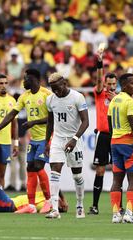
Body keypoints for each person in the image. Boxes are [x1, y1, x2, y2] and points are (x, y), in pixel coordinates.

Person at [0, 69, 52, 214]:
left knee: (38, 166)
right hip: (34, 139)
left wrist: (34, 122)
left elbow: (53, 117)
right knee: (30, 169)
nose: (24, 82)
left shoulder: (47, 95)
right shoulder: (24, 96)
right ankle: (31, 205)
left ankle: (49, 201)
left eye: (26, 78)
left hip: (46, 137)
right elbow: (12, 114)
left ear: (34, 79)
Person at [44, 72, 89, 219]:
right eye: (53, 89)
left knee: (77, 176)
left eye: (57, 88)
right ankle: (55, 209)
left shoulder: (77, 97)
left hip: (73, 139)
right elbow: (50, 122)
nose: (56, 91)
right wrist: (47, 143)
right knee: (54, 172)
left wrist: (75, 138)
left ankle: (80, 205)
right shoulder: (50, 100)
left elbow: (85, 122)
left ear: (64, 83)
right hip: (57, 139)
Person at [107, 73, 133, 224]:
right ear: (124, 86)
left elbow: (110, 126)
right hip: (129, 144)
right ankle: (129, 213)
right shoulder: (131, 102)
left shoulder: (113, 101)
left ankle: (115, 214)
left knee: (117, 179)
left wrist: (113, 143)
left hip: (115, 143)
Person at [88, 48, 118, 215]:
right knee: (100, 170)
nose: (111, 87)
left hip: (117, 136)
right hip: (103, 135)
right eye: (109, 84)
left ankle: (118, 207)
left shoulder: (121, 98)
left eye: (114, 84)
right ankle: (94, 205)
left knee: (118, 171)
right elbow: (99, 78)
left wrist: (117, 100)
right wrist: (99, 62)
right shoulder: (100, 93)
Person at [0, 173, 68, 213]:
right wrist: (63, 199)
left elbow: (37, 210)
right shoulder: (45, 194)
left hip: (9, 206)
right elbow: (50, 183)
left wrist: (58, 205)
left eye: (58, 203)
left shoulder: (44, 204)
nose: (57, 199)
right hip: (6, 202)